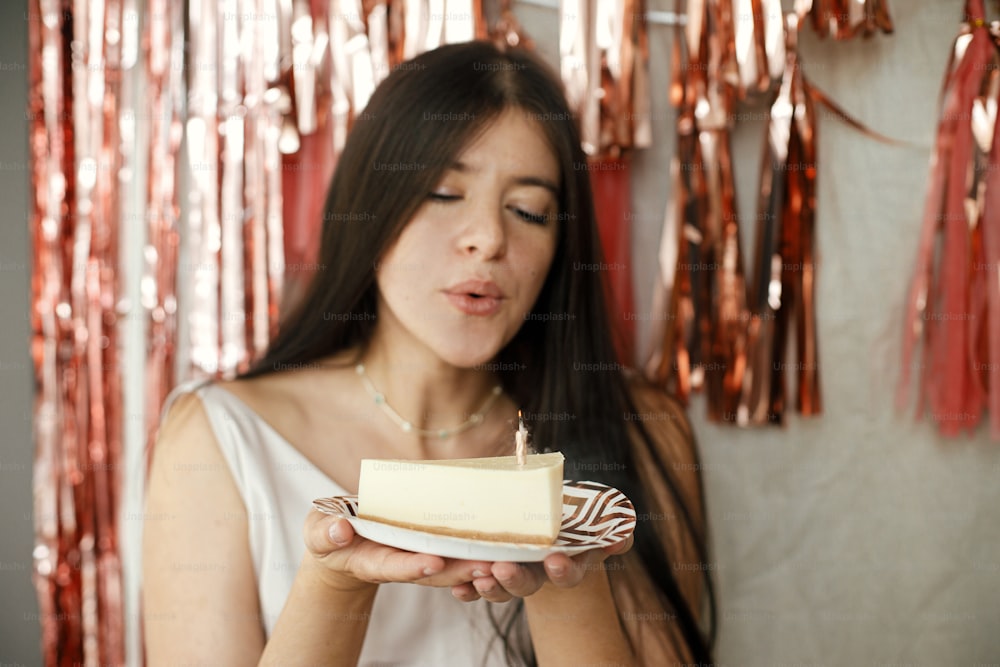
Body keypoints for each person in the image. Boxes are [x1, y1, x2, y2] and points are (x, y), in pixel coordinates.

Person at [141, 40, 715, 666]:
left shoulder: (637, 430)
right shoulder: (219, 438)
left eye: (529, 211)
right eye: (445, 194)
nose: (489, 240)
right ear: (372, 207)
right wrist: (336, 585)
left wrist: (563, 579)